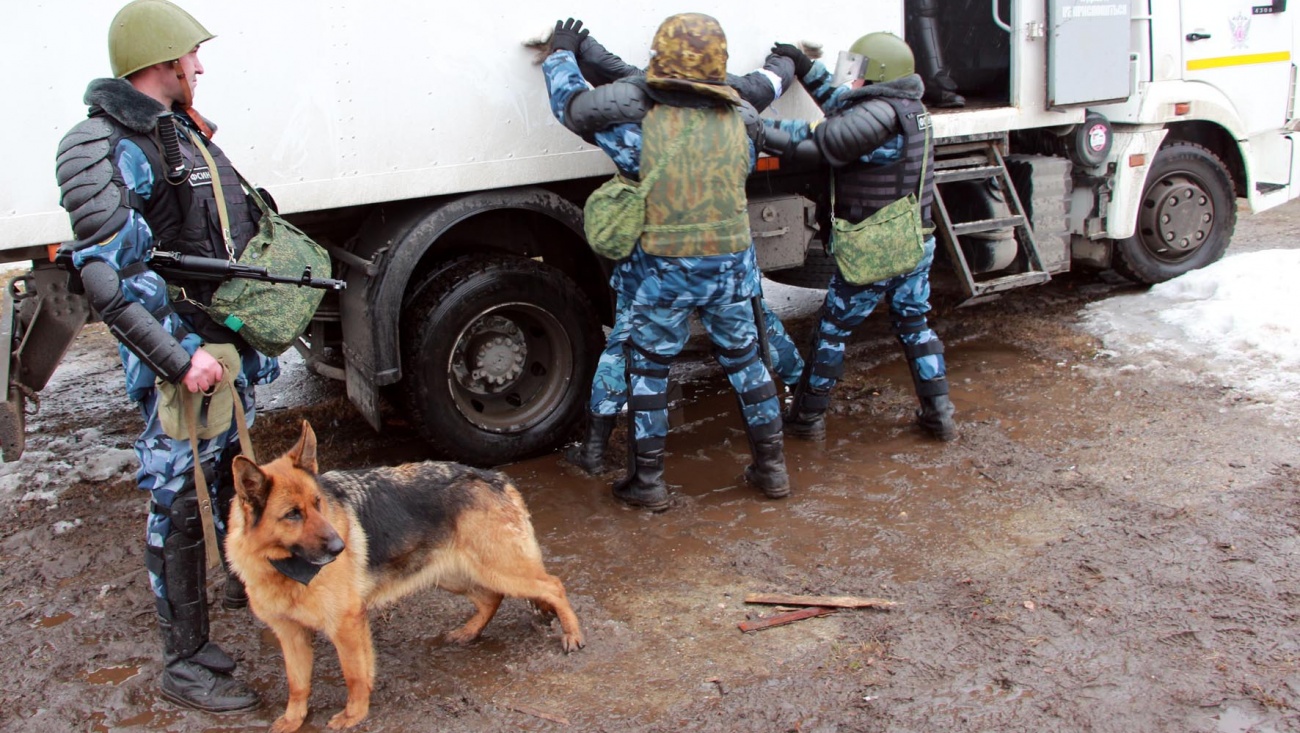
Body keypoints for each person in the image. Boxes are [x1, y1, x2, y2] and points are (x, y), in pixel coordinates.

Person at [54, 0, 278, 713]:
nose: (200, 67)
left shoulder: (173, 131)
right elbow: (106, 279)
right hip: (177, 356)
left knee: (217, 478)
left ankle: (233, 589)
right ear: (162, 62)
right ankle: (184, 661)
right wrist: (179, 360)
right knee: (178, 500)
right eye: (190, 57)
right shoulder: (107, 142)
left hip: (213, 343)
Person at [543, 14, 792, 510]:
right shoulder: (740, 127)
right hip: (730, 274)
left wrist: (562, 53)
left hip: (663, 275)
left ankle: (649, 484)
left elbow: (570, 107)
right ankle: (772, 470)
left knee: (650, 371)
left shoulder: (639, 129)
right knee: (748, 364)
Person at [764, 32, 958, 442]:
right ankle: (939, 414)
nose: (851, 78)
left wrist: (749, 124)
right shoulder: (904, 107)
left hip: (876, 249)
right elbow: (839, 101)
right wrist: (802, 64)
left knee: (832, 331)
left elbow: (821, 140)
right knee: (915, 324)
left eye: (858, 71)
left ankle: (807, 417)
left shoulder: (878, 119)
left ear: (876, 77)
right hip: (913, 241)